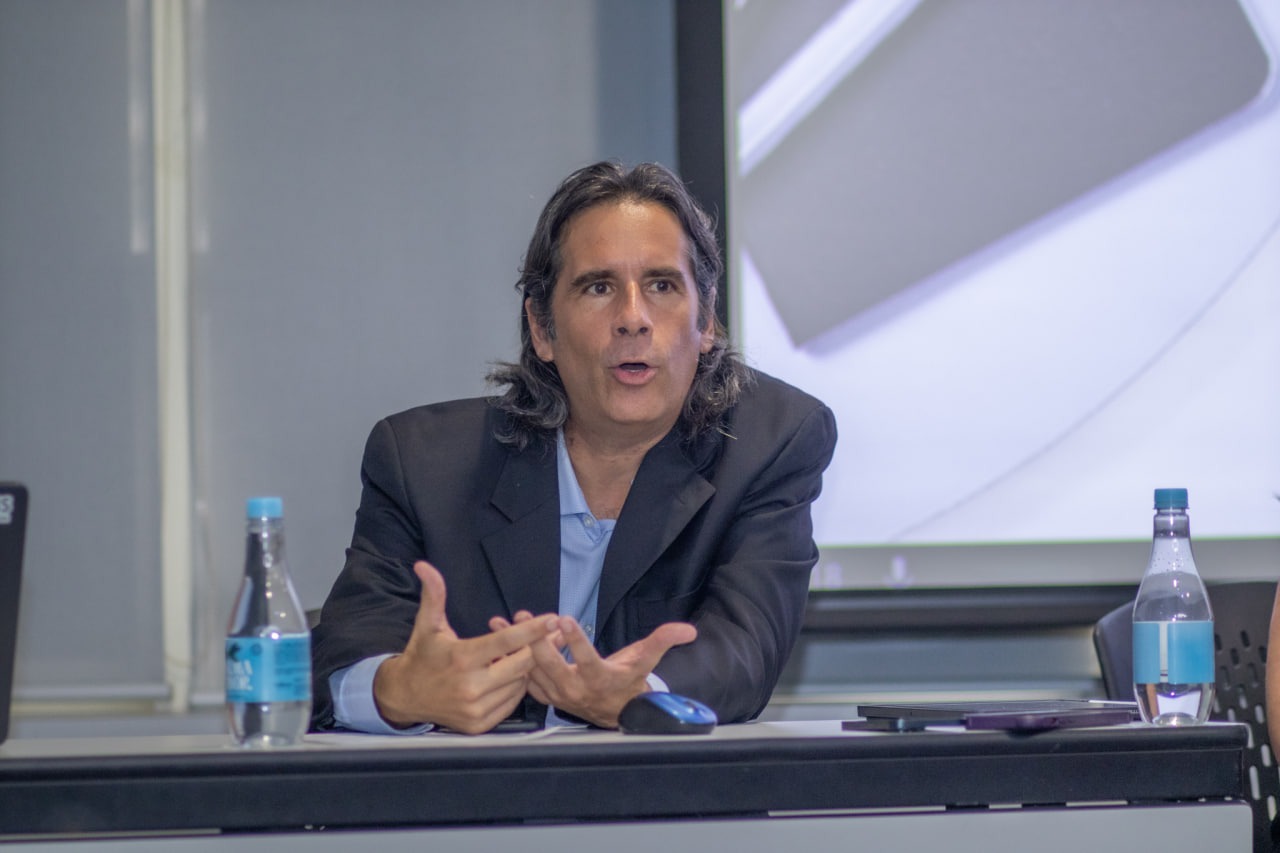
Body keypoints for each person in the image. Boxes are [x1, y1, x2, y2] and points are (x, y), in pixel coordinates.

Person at [310, 161, 837, 734]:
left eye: (662, 285)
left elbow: (745, 650)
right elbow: (343, 652)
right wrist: (398, 692)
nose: (632, 318)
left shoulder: (771, 442)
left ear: (705, 320)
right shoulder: (423, 463)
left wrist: (639, 695)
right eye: (598, 287)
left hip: (667, 790)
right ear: (542, 328)